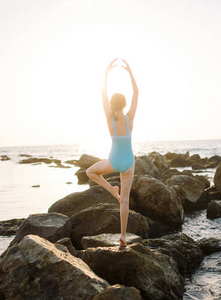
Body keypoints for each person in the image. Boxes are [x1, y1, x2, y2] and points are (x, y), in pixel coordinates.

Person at [86, 58, 138, 247]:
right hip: (129, 162)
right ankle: (123, 236)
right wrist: (129, 71)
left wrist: (107, 71)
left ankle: (111, 189)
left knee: (90, 172)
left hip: (114, 161)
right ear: (124, 104)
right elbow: (136, 93)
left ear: (112, 104)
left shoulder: (110, 120)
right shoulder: (130, 118)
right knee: (124, 201)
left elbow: (102, 92)